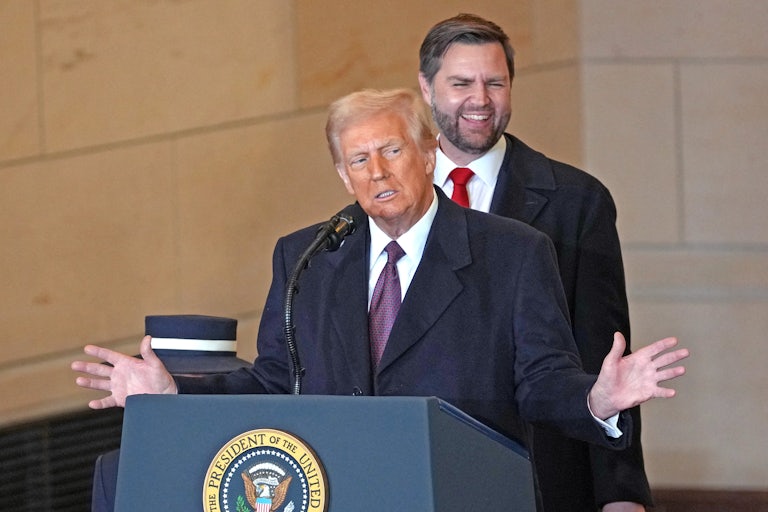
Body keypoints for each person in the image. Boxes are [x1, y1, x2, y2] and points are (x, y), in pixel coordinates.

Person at [72, 88, 687, 510]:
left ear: (428, 154)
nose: (377, 172)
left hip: (464, 493)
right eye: (359, 160)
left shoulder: (512, 252)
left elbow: (541, 379)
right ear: (344, 176)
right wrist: (173, 396)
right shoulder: (308, 256)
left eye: (392, 151)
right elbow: (276, 381)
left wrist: (596, 398)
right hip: (341, 491)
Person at [418, 13, 651, 511]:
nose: (480, 100)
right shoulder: (393, 198)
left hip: (540, 475)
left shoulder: (576, 201)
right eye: (461, 83)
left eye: (495, 83)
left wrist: (621, 494)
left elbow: (605, 356)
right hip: (422, 470)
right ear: (426, 87)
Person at [90, 315, 250, 512]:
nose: (187, 402)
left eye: (202, 387)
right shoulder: (115, 468)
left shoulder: (254, 464)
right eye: (169, 386)